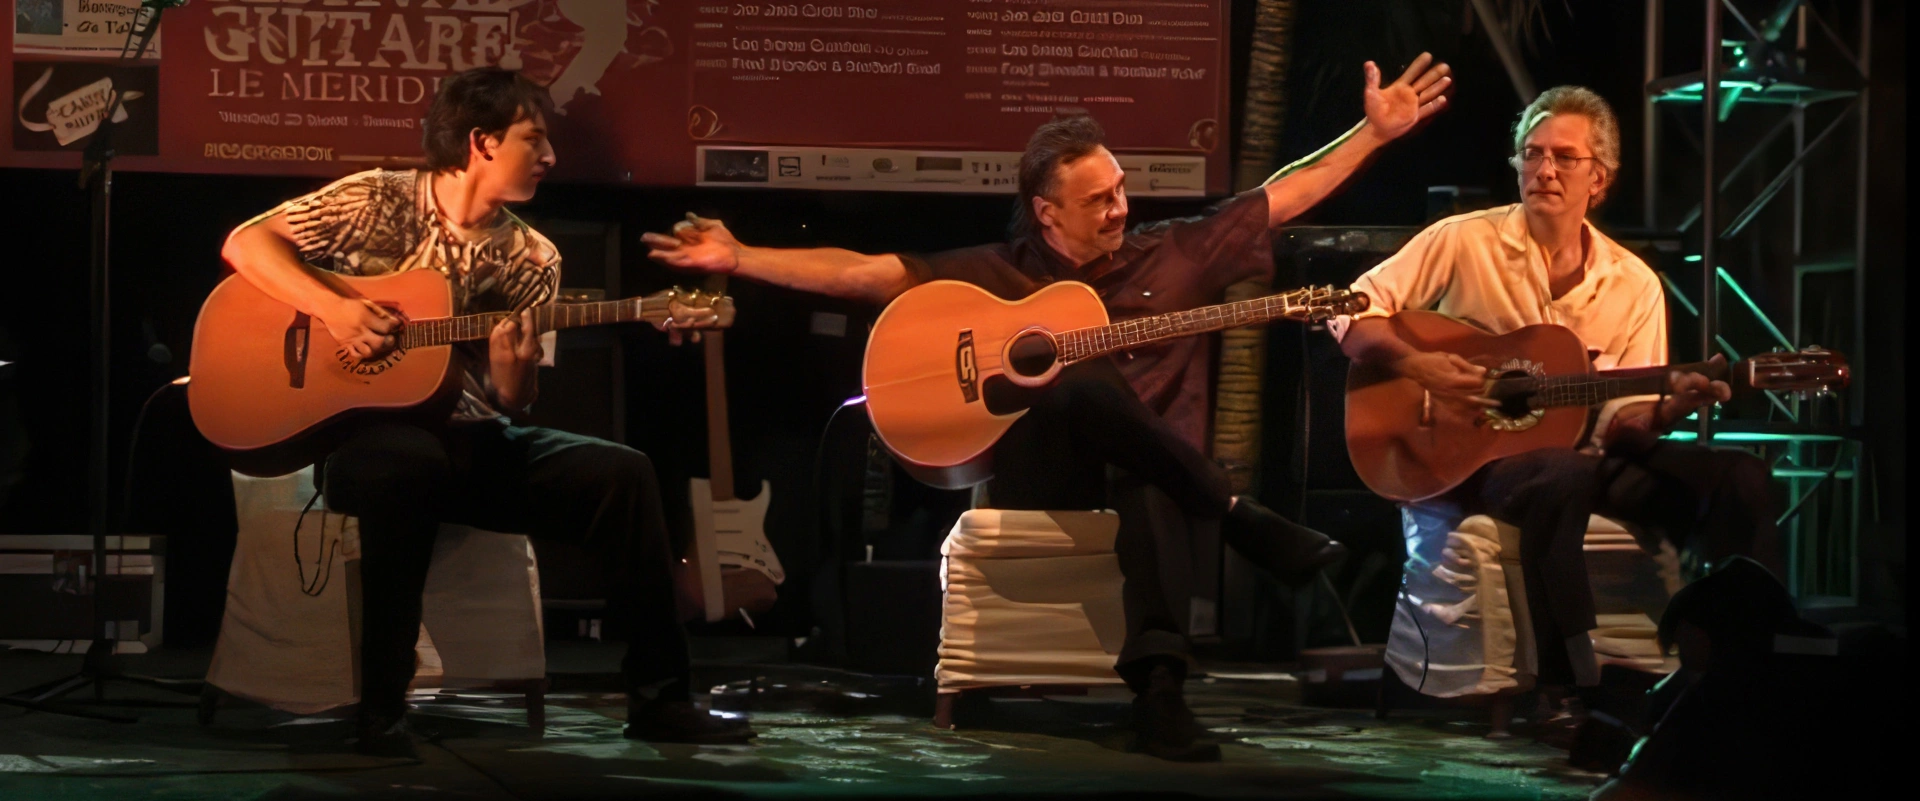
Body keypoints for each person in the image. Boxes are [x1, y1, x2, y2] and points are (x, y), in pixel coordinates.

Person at [646, 54, 1455, 761]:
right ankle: (1236, 512)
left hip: (1154, 481)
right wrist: (742, 256)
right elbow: (865, 272)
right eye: (1099, 198)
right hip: (1050, 475)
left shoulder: (1172, 258)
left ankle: (1161, 696)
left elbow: (1282, 197)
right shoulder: (1000, 273)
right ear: (1047, 211)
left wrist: (1375, 134)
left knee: (1150, 467)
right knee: (1077, 376)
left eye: (1121, 190)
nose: (1120, 208)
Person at [219, 67, 749, 756]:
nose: (552, 157)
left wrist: (512, 380)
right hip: (364, 436)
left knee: (624, 473)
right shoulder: (378, 198)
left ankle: (661, 699)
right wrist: (338, 308)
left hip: (470, 439)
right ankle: (381, 712)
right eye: (535, 139)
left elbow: (513, 403)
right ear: (482, 141)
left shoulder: (534, 258)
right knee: (404, 465)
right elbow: (245, 243)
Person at [1330, 86, 1786, 697]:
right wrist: (1422, 366)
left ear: (1599, 178)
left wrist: (1669, 407)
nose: (1544, 169)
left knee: (1743, 479)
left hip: (1592, 459)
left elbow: (1626, 425)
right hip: (1483, 459)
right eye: (1531, 153)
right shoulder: (1462, 240)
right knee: (1562, 474)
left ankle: (1746, 674)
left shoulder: (1634, 283)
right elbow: (1347, 313)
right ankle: (1564, 688)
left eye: (1563, 158)